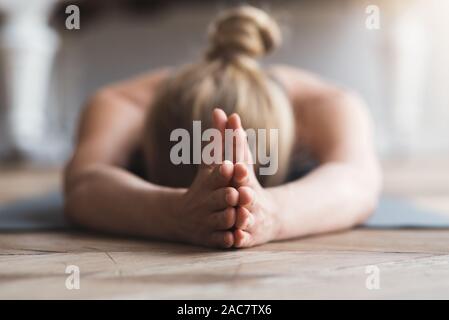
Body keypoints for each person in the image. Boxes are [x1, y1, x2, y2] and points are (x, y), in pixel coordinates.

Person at [64, 6, 382, 249]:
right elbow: (84, 184)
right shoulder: (123, 103)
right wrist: (176, 213)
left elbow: (358, 181)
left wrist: (270, 213)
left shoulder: (324, 103)